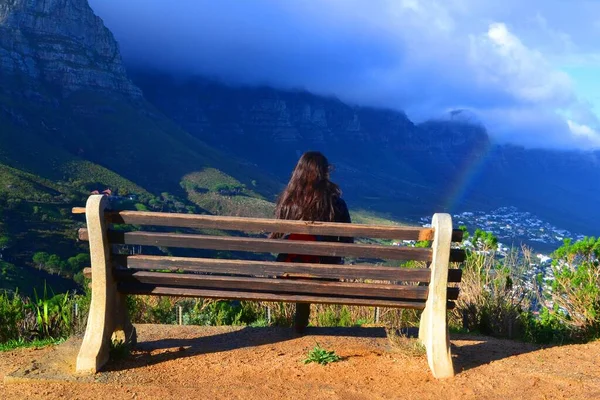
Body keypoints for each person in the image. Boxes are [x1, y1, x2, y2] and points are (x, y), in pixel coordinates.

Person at [270, 151, 353, 333]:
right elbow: (348, 239)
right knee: (309, 262)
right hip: (323, 271)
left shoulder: (287, 201)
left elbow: (277, 236)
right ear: (324, 173)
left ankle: (300, 320)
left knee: (300, 261)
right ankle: (301, 320)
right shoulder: (335, 203)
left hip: (288, 271)